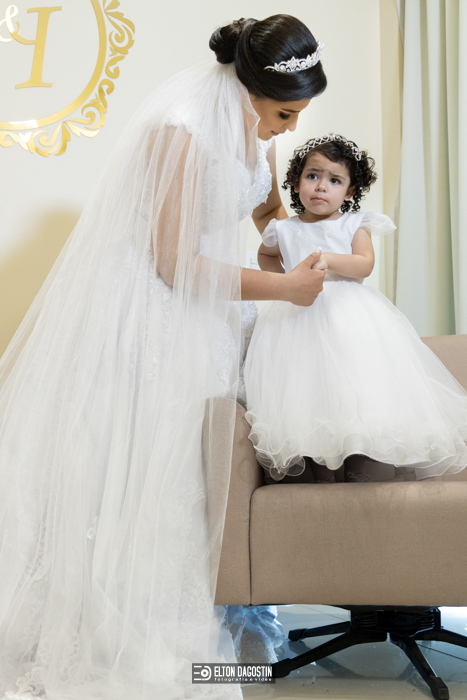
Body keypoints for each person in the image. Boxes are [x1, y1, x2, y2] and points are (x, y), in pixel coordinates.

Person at [0, 14, 327, 700]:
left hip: (210, 311)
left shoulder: (256, 130)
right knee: (150, 460)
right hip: (151, 308)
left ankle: (207, 608)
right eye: (283, 114)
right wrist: (283, 288)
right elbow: (174, 263)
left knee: (203, 467)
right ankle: (127, 634)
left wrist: (298, 245)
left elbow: (264, 212)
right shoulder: (180, 129)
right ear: (247, 91)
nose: (288, 129)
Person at [244, 133, 467, 484]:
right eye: (312, 176)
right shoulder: (283, 229)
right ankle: (320, 469)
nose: (321, 186)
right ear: (297, 182)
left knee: (353, 389)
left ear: (349, 192)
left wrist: (329, 259)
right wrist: (285, 283)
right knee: (308, 390)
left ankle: (361, 464)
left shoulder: (354, 223)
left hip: (347, 317)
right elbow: (266, 255)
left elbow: (364, 264)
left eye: (334, 181)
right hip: (297, 318)